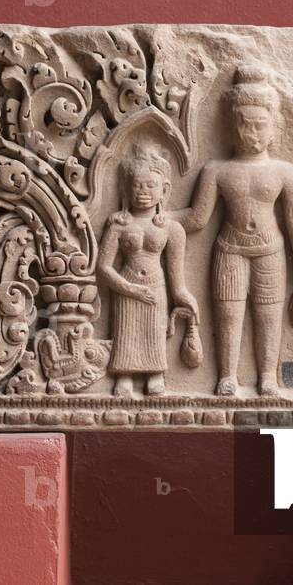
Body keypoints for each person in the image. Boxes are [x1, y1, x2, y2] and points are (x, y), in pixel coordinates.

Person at [175, 64, 293, 396]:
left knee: (268, 315)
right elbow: (197, 218)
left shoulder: (285, 172)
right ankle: (227, 375)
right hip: (230, 249)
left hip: (270, 250)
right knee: (228, 314)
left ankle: (267, 375)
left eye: (260, 125)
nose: (252, 133)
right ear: (231, 126)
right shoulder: (217, 170)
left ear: (274, 129)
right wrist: (161, 217)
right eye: (244, 124)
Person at [98, 144, 197, 396]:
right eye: (137, 185)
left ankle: (155, 374)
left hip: (155, 288)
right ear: (126, 189)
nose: (143, 192)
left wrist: (185, 298)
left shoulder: (171, 229)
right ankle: (124, 375)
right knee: (126, 332)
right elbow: (104, 267)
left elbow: (176, 278)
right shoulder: (119, 226)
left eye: (151, 185)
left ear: (164, 190)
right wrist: (130, 289)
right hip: (126, 286)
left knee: (154, 331)